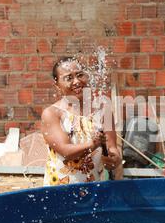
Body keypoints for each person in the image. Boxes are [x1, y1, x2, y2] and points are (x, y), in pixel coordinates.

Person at [41, 56, 121, 186]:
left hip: (94, 187)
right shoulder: (52, 114)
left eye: (80, 75)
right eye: (69, 78)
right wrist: (92, 144)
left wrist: (114, 159)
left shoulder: (102, 110)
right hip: (60, 188)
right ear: (57, 84)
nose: (77, 81)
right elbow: (66, 152)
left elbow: (112, 148)